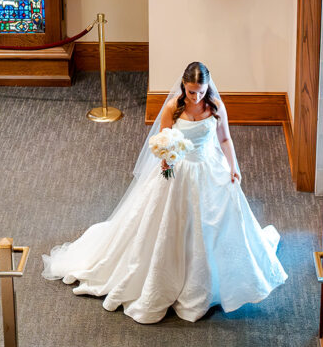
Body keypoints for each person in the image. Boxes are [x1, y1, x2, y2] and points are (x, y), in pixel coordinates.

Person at [41, 61, 288, 324]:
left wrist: (233, 167)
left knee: (211, 223)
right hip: (177, 172)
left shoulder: (215, 106)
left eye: (201, 92)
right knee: (170, 223)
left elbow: (225, 139)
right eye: (192, 92)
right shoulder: (173, 107)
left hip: (208, 169)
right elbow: (162, 141)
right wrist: (166, 158)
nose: (196, 97)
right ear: (184, 86)